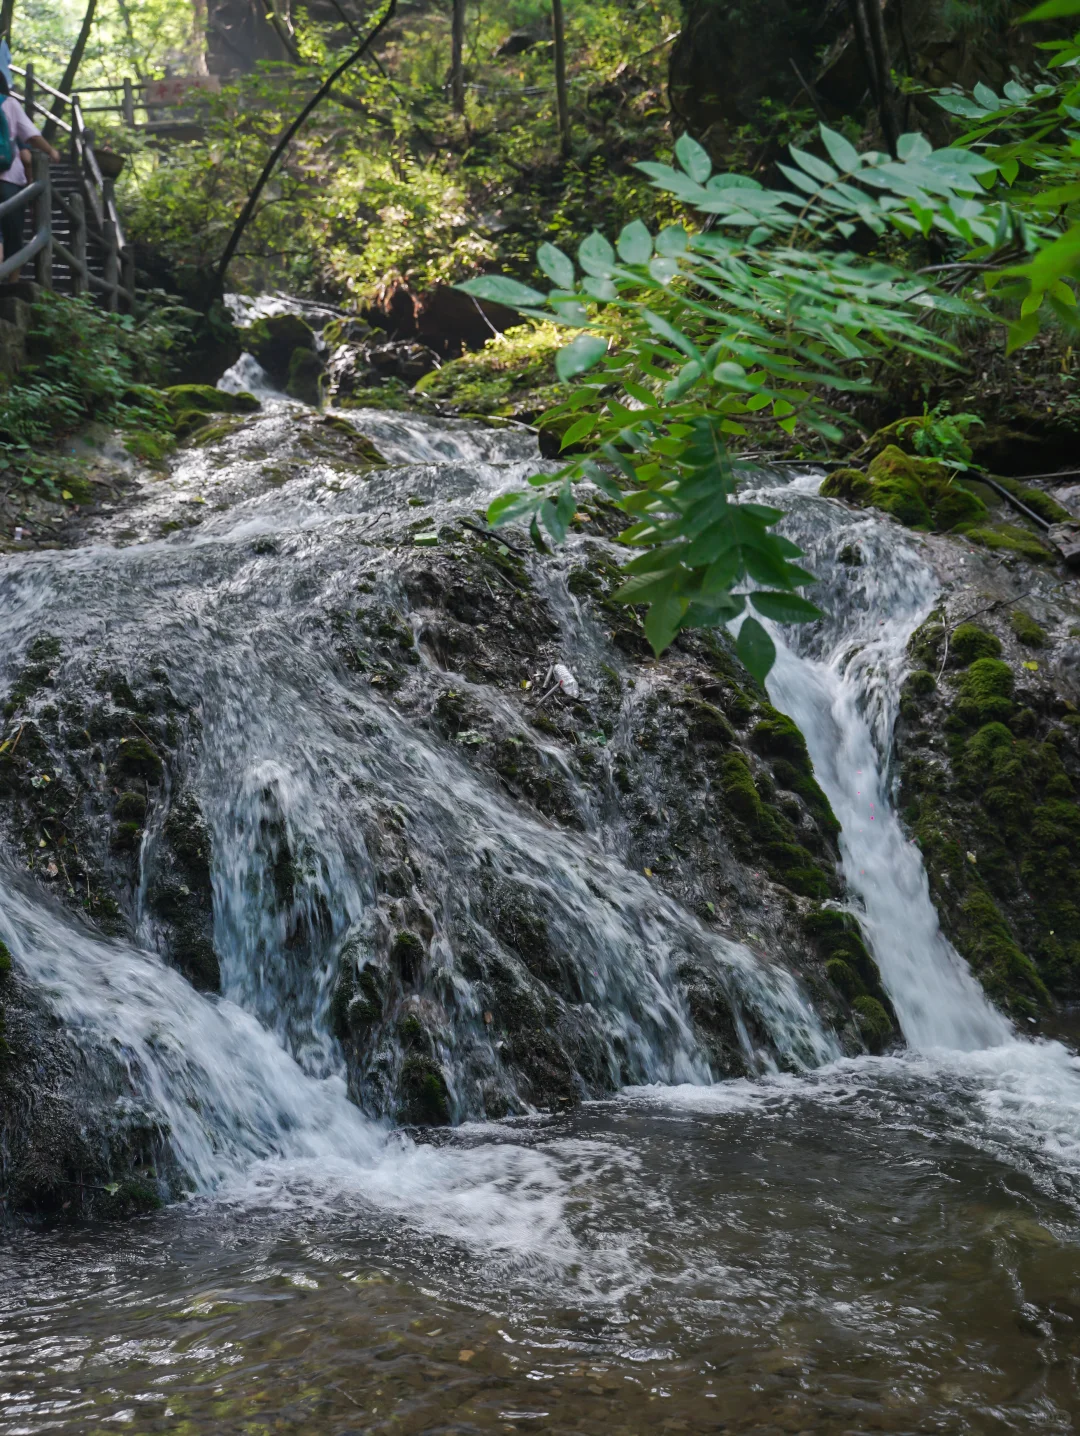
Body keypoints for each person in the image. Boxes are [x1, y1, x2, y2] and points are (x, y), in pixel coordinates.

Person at [0, 71, 60, 279]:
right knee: (13, 234)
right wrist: (51, 151)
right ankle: (10, 283)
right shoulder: (9, 104)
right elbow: (31, 136)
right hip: (8, 179)